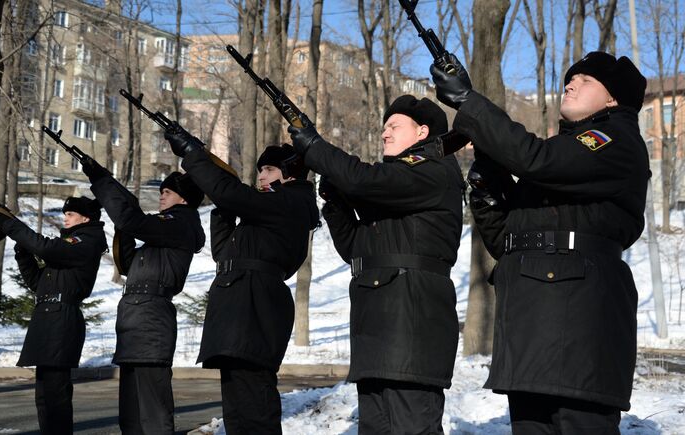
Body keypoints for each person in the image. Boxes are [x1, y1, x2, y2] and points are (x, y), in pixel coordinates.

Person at [431, 51, 649, 434]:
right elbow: (508, 240)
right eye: (570, 78)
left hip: (581, 326)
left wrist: (470, 103)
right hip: (532, 327)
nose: (571, 84)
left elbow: (537, 160)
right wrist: (488, 184)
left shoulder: (613, 138)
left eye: (585, 81)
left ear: (612, 98)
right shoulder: (564, 161)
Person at [287, 95, 465, 434]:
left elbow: (364, 180)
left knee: (412, 424)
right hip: (377, 328)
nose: (384, 133)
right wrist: (335, 201)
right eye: (384, 127)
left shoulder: (433, 171)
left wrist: (315, 146)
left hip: (412, 326)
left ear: (422, 132)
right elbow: (356, 250)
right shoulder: (397, 190)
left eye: (394, 126)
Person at [164, 129, 319, 434]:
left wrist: (194, 156)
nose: (261, 176)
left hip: (256, 303)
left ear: (289, 174)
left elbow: (231, 193)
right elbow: (223, 253)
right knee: (237, 407)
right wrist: (225, 207)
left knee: (255, 402)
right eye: (260, 169)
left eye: (269, 169)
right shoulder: (264, 212)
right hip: (239, 300)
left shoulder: (291, 199)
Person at [81, 160, 206, 434]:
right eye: (161, 191)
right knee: (131, 413)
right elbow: (126, 262)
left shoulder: (180, 222)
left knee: (153, 411)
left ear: (184, 199)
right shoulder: (160, 236)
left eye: (168, 192)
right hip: (135, 320)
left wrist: (102, 181)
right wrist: (122, 221)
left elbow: (133, 221)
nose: (162, 195)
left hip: (151, 320)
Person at [0, 196, 107, 434]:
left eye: (71, 214)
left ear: (85, 218)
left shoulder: (85, 241)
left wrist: (13, 226)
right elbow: (37, 281)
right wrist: (23, 250)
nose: (65, 218)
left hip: (61, 318)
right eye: (66, 214)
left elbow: (46, 248)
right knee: (44, 394)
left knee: (55, 394)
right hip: (48, 317)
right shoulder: (69, 246)